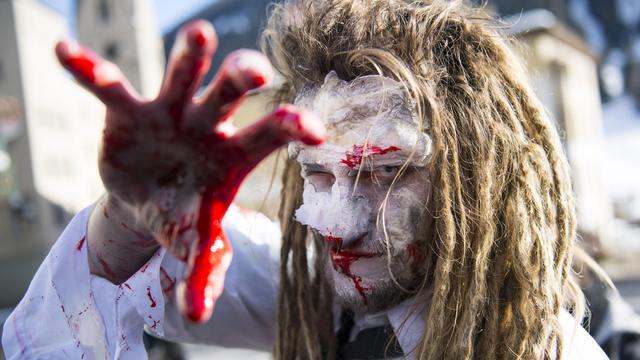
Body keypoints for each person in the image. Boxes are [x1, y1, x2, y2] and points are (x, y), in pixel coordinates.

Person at [2, 0, 610, 359]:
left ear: (476, 181)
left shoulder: (548, 352)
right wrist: (130, 216)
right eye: (317, 175)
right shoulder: (308, 295)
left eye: (383, 172)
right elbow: (91, 304)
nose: (336, 221)